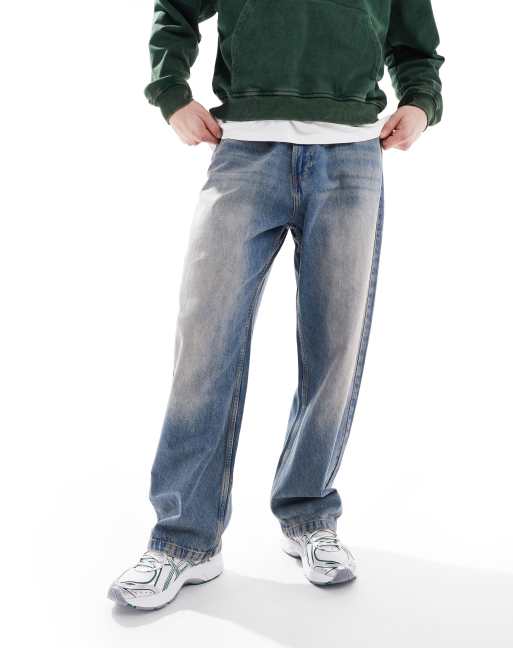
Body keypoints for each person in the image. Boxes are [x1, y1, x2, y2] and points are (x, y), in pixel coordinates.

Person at [108, 0, 444, 610]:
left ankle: (309, 514)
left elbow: (415, 44)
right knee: (205, 343)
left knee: (334, 349)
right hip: (245, 150)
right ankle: (184, 540)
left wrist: (420, 103)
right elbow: (175, 9)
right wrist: (171, 92)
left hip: (351, 156)